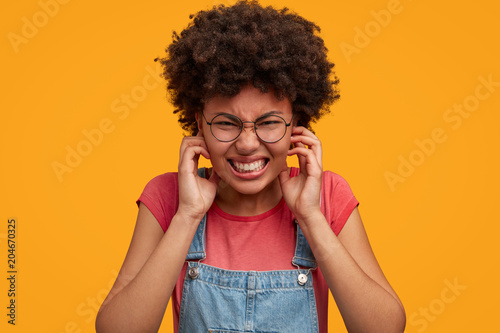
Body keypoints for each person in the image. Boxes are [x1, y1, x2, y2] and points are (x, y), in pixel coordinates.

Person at [95, 1, 406, 332]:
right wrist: (187, 216)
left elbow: (385, 328)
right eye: (227, 123)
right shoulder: (168, 197)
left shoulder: (328, 196)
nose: (246, 144)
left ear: (296, 124)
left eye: (269, 123)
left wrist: (311, 218)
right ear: (199, 123)